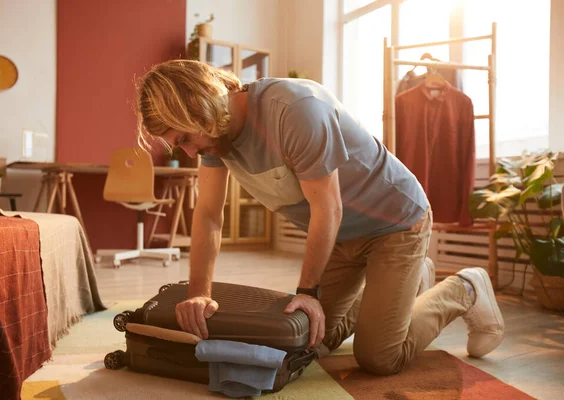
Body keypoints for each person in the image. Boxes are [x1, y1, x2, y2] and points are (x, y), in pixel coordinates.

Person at [135, 59, 505, 375]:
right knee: (306, 339)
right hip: (341, 237)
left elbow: (328, 207)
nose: (186, 151)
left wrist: (308, 292)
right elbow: (209, 216)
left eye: (184, 138)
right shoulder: (216, 137)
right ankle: (412, 278)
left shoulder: (294, 109)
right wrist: (199, 293)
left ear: (203, 106)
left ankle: (466, 287)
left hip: (396, 223)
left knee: (379, 357)